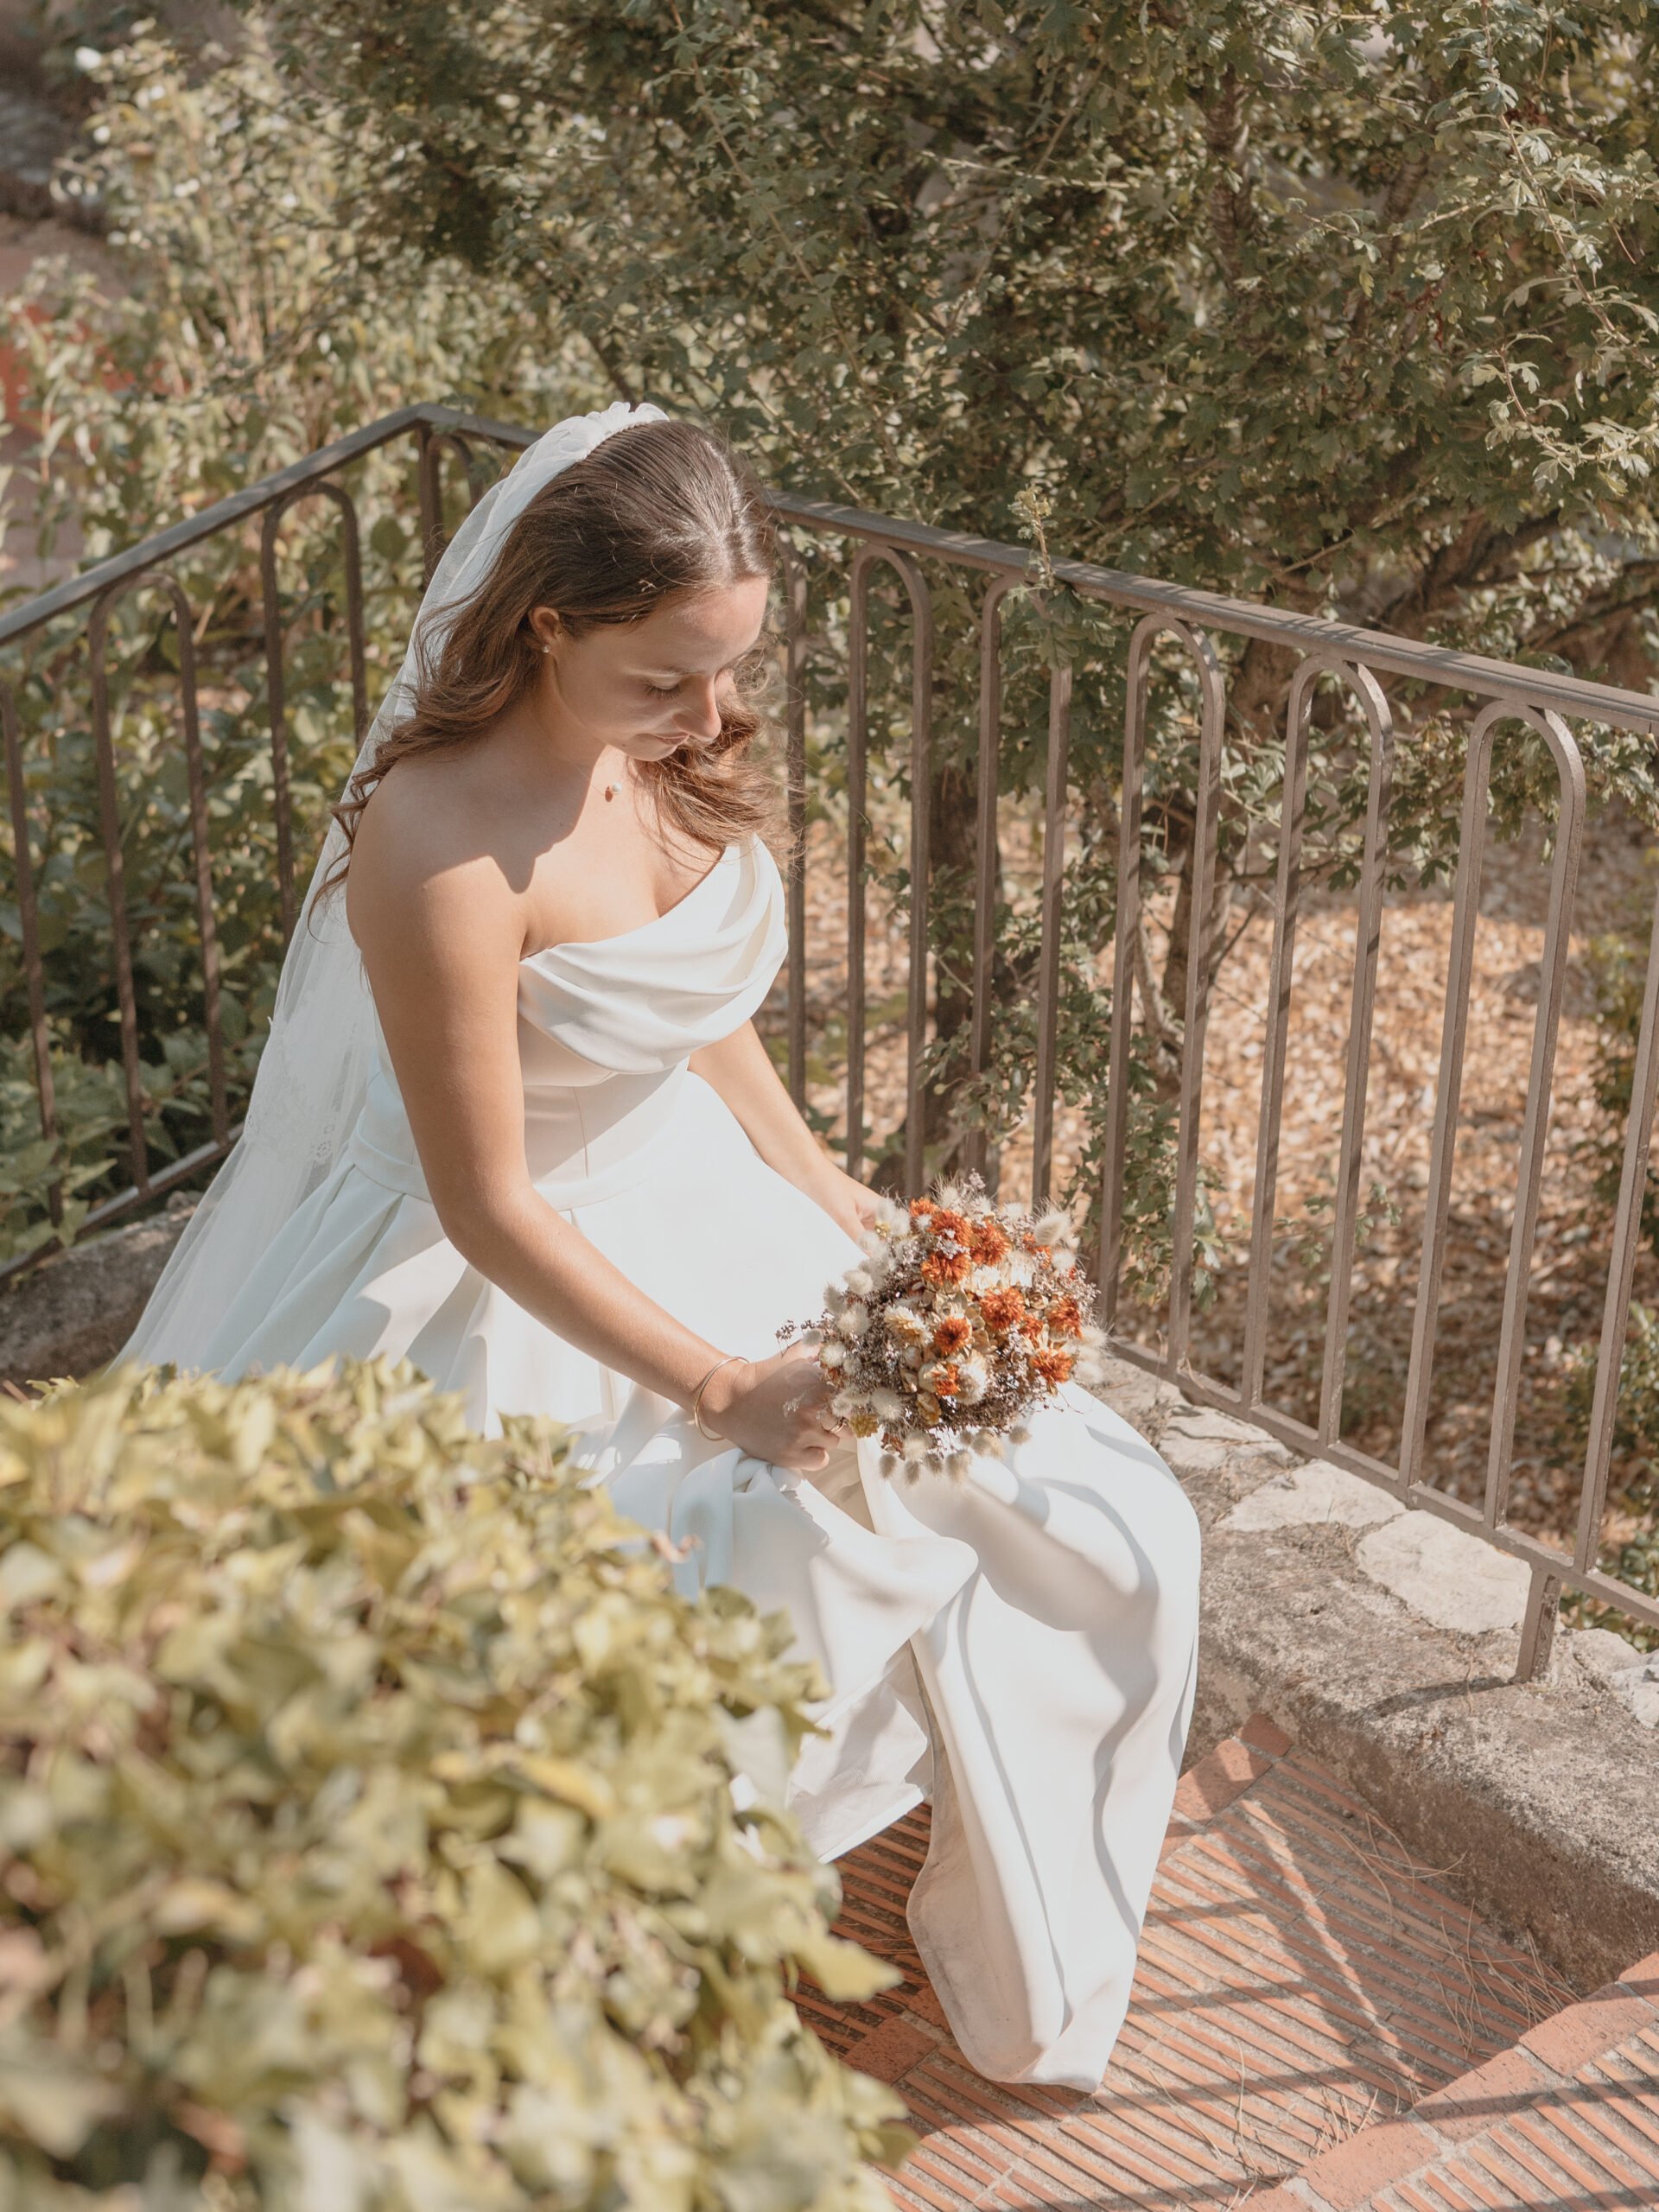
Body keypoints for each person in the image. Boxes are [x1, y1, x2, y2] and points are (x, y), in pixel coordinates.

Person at [113, 400, 1202, 2093]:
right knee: (638, 1643)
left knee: (1091, 1511)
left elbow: (690, 1013)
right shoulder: (441, 840)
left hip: (695, 1183)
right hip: (502, 1270)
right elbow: (485, 1198)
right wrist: (727, 1384)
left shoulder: (680, 746)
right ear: (546, 623)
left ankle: (946, 1901)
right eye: (665, 678)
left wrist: (833, 1189)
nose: (712, 716)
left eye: (730, 667)